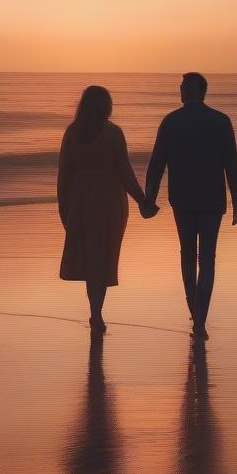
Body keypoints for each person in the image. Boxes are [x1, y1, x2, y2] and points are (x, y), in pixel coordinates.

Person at [144, 72, 237, 339]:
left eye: (183, 87)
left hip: (184, 199)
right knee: (205, 258)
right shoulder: (220, 121)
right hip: (211, 199)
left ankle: (196, 314)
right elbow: (231, 165)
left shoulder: (172, 121)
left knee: (189, 255)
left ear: (192, 91)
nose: (181, 91)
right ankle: (200, 316)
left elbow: (156, 165)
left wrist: (148, 198)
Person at [58, 85, 158, 333]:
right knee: (102, 259)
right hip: (109, 201)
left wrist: (65, 209)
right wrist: (142, 200)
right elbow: (125, 172)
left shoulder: (72, 132)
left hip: (80, 200)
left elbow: (64, 176)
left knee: (90, 258)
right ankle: (96, 314)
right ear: (107, 106)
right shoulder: (113, 133)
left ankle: (95, 313)